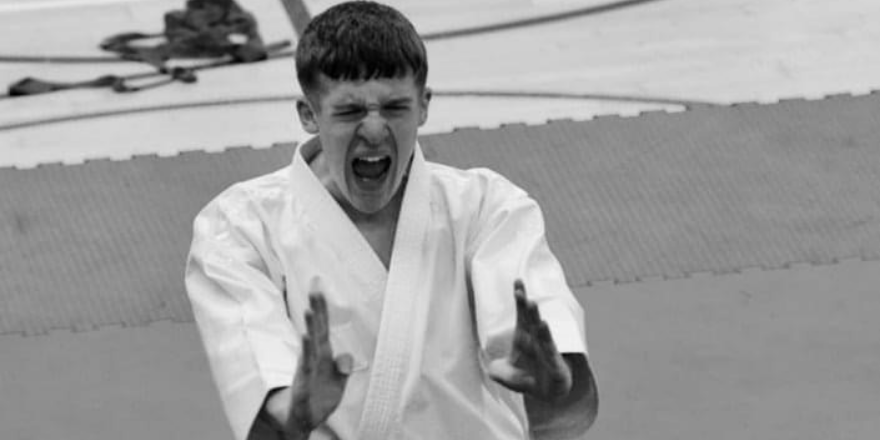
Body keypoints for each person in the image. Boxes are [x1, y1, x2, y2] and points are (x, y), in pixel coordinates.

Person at [185, 2, 598, 439]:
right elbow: (257, 376)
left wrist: (555, 379)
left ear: (424, 105)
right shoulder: (239, 228)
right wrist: (293, 408)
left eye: (395, 107)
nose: (376, 131)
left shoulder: (487, 208)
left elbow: (543, 355)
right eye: (349, 112)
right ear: (308, 114)